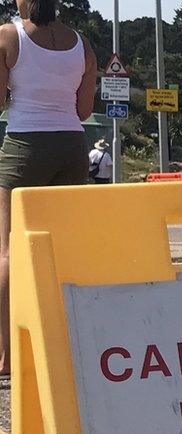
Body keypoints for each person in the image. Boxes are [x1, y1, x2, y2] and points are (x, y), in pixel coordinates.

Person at [0, 0, 98, 375]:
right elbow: (84, 110)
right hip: (72, 147)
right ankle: (64, 343)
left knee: (8, 250)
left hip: (25, 145)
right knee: (61, 248)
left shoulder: (9, 36)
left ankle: (7, 356)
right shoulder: (82, 43)